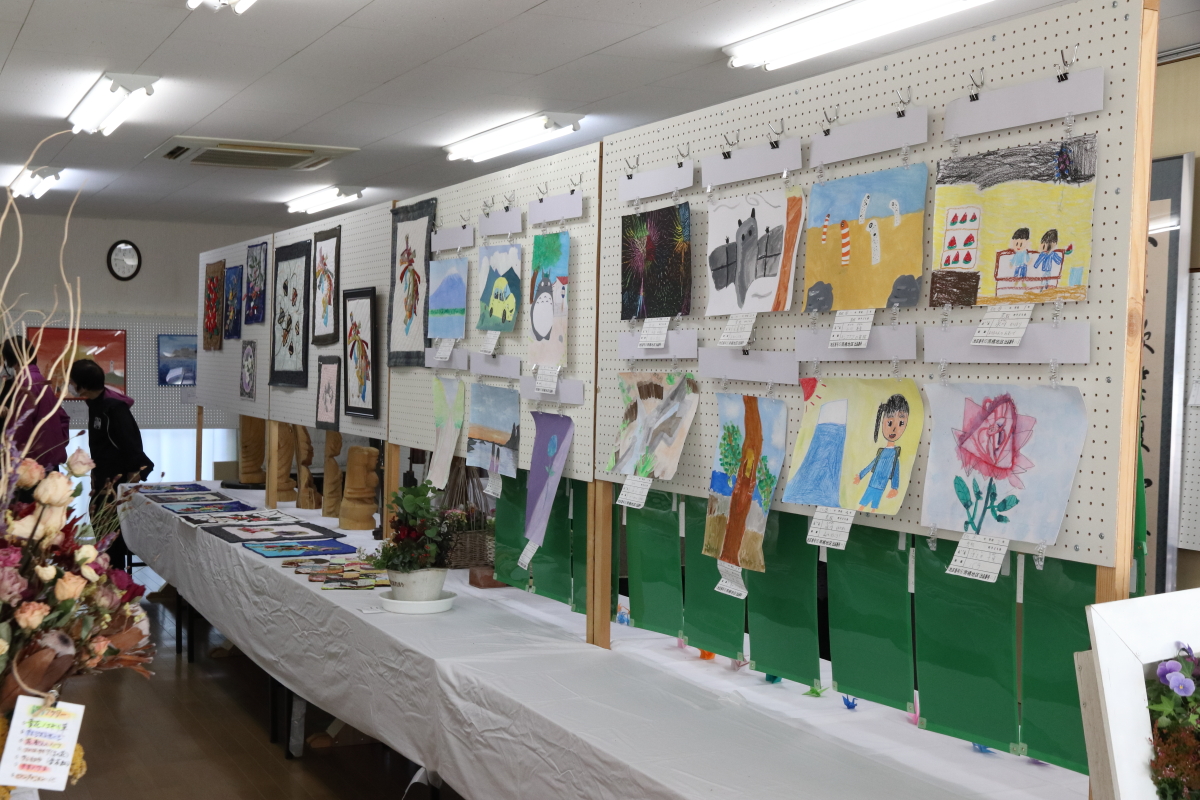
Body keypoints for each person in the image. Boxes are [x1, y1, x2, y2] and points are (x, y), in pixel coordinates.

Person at [69, 359, 153, 570]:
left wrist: (128, 488)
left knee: (112, 540)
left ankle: (116, 578)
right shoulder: (95, 404)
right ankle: (106, 574)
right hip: (102, 479)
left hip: (116, 484)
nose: (70, 385)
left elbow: (132, 447)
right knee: (100, 531)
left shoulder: (114, 408)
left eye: (73, 381)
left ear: (83, 386)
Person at [2, 336, 69, 470]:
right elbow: (62, 417)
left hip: (31, 464)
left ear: (11, 360)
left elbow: (21, 426)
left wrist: (8, 458)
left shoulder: (25, 382)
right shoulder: (40, 380)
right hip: (47, 459)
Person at [852, 394, 910, 512]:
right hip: (872, 483)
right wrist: (860, 476)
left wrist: (894, 487)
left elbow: (895, 471)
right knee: (863, 505)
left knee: (874, 507)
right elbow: (872, 464)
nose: (894, 429)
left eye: (901, 423)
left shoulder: (895, 455)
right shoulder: (882, 452)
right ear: (882, 421)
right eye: (890, 423)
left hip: (881, 486)